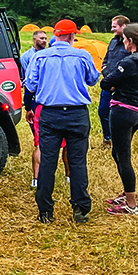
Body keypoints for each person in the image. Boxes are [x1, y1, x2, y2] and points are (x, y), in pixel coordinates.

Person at [25, 19, 100, 224]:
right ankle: (80, 208)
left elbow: (30, 85)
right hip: (77, 114)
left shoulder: (40, 57)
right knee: (77, 162)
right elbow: (93, 79)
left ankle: (45, 211)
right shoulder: (82, 55)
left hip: (50, 114)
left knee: (48, 162)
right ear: (70, 36)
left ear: (56, 35)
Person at [99, 23, 138, 216]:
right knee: (117, 153)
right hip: (137, 112)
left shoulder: (128, 62)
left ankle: (131, 204)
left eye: (124, 39)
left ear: (131, 41)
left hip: (122, 112)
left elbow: (106, 82)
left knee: (123, 158)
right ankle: (126, 192)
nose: (122, 42)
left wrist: (114, 84)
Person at [22, 30, 71, 190]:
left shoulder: (39, 58)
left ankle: (37, 179)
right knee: (68, 144)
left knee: (40, 143)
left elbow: (29, 85)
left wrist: (28, 106)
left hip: (42, 106)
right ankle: (69, 176)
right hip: (68, 107)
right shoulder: (70, 59)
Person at [98, 15, 131, 148]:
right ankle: (108, 139)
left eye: (114, 26)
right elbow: (105, 62)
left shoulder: (130, 44)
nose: (112, 29)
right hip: (108, 83)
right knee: (103, 111)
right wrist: (107, 77)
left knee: (119, 115)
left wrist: (115, 83)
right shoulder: (112, 42)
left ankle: (120, 141)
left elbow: (130, 67)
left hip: (121, 88)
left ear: (124, 27)